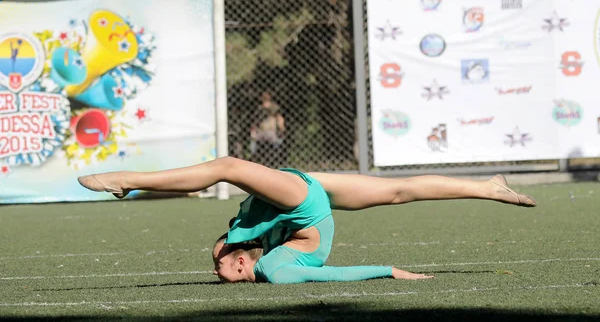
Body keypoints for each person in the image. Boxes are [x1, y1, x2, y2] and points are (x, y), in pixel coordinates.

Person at [77, 157, 536, 284]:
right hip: (305, 204)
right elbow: (335, 275)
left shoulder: (251, 251)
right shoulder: (279, 270)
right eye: (229, 269)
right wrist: (390, 270)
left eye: (224, 263)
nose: (225, 263)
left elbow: (226, 242)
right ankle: (489, 186)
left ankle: (129, 179)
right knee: (398, 191)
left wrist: (229, 249)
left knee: (229, 168)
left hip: (304, 200)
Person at [250, 91, 286, 168]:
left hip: (269, 132)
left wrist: (281, 129)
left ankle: (271, 162)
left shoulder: (273, 108)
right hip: (263, 133)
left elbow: (279, 119)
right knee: (258, 147)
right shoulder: (260, 109)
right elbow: (255, 122)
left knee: (274, 146)